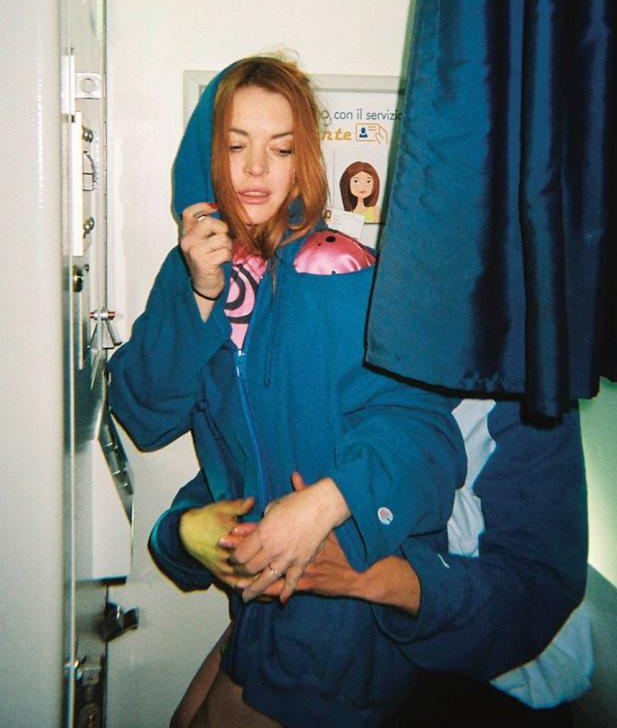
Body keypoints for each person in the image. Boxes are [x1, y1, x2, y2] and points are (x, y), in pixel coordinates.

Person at [108, 56, 470, 727]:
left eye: (279, 149)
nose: (255, 169)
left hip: (342, 601)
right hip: (264, 601)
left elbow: (426, 434)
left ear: (302, 160)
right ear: (207, 157)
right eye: (235, 146)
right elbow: (145, 414)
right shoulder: (191, 271)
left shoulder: (341, 268)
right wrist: (200, 292)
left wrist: (328, 501)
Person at [154, 400, 592, 727]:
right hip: (337, 611)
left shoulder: (519, 386)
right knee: (189, 717)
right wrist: (186, 530)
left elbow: (536, 590)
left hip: (497, 672)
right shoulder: (334, 340)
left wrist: (364, 574)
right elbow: (241, 464)